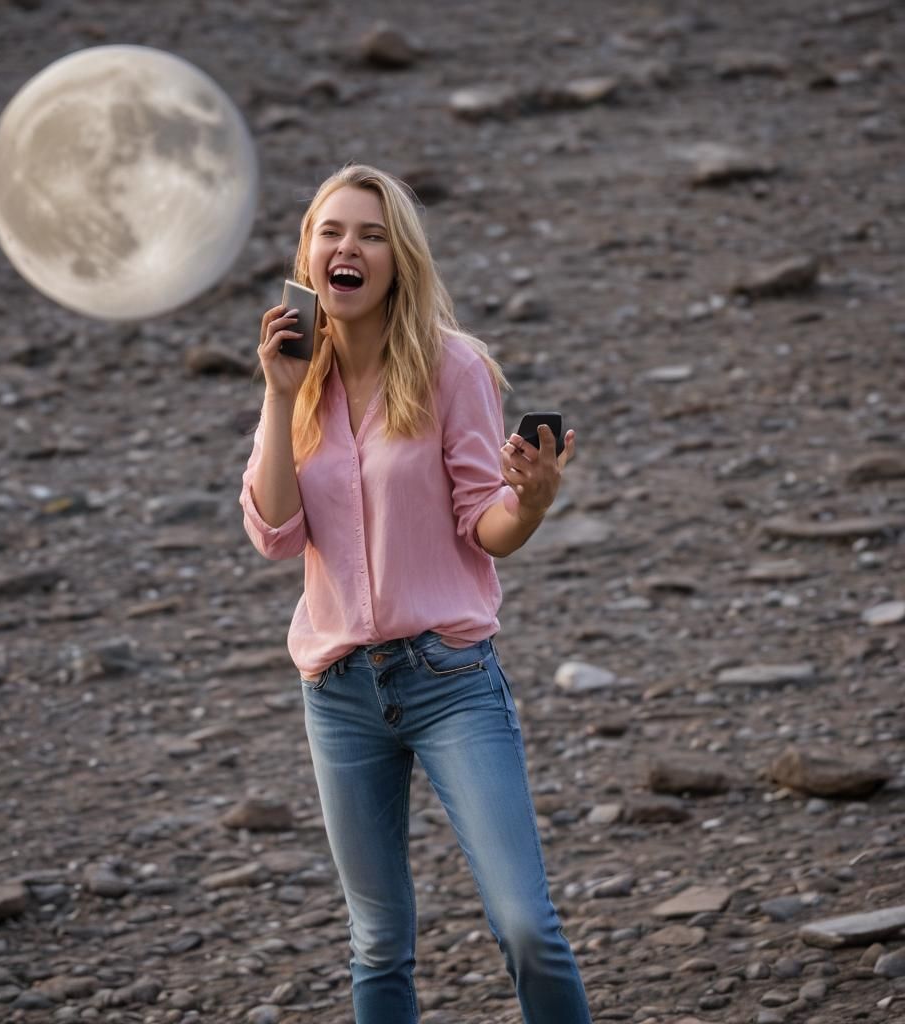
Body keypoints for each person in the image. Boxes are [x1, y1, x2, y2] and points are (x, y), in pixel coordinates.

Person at [239, 164, 591, 1024]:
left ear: (400, 258)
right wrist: (279, 397)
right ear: (308, 256)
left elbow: (485, 524)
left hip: (449, 680)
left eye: (370, 233)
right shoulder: (299, 381)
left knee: (525, 925)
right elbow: (273, 531)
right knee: (377, 941)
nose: (346, 248)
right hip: (340, 693)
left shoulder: (451, 366)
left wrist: (533, 499)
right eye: (330, 232)